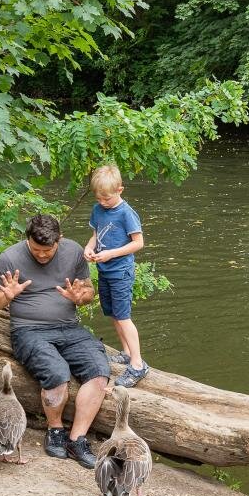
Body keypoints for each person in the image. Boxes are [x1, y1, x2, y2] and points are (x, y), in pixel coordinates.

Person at [0, 214, 106, 469]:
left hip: (69, 328)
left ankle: (77, 439)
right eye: (36, 250)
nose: (42, 255)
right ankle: (55, 430)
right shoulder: (10, 258)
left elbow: (89, 292)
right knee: (57, 372)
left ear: (59, 240)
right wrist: (6, 296)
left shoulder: (73, 252)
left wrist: (80, 297)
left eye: (48, 251)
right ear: (27, 239)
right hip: (29, 330)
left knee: (99, 371)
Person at [83, 164, 150, 388]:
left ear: (120, 190)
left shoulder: (126, 213)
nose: (103, 202)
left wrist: (111, 253)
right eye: (99, 198)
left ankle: (138, 365)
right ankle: (127, 352)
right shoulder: (98, 209)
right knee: (112, 313)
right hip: (104, 270)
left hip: (121, 271)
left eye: (107, 199)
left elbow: (138, 243)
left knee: (123, 316)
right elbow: (96, 234)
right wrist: (89, 248)